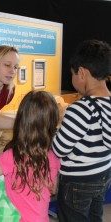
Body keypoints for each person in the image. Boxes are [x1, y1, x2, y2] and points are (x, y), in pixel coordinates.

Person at [52, 39, 111, 222]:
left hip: (77, 182)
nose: (72, 79)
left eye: (72, 74)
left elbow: (59, 149)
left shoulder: (81, 108)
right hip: (102, 177)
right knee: (95, 217)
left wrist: (56, 129)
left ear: (82, 73)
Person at [0, 90, 61, 222]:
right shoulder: (53, 158)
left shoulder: (10, 157)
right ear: (52, 124)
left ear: (21, 121)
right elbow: (53, 189)